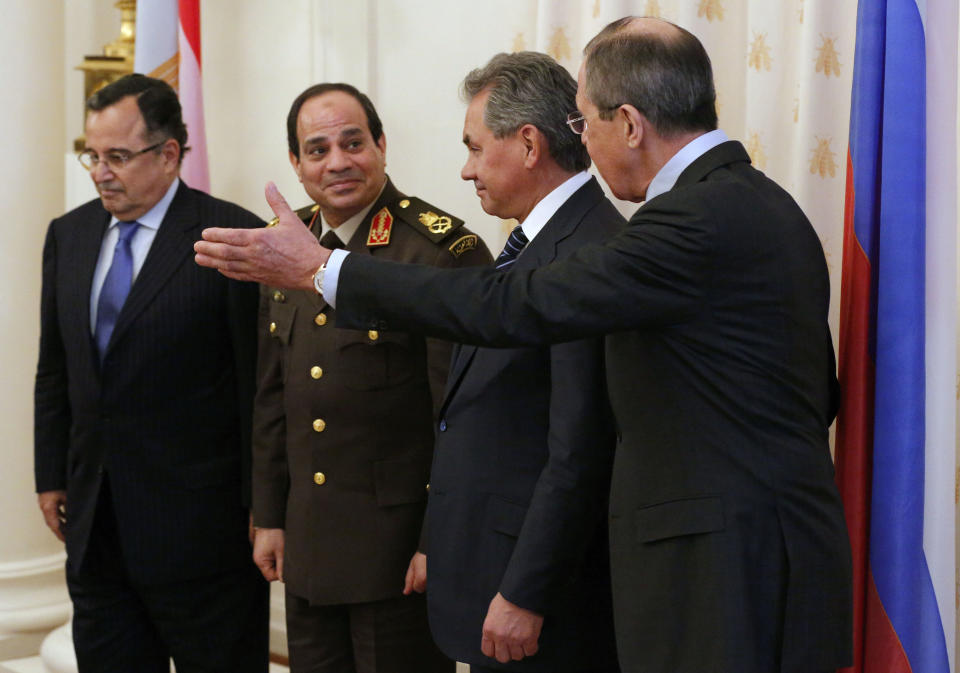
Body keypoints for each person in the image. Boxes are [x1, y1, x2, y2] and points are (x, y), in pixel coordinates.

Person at [194, 16, 854, 673]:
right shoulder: (762, 205)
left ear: (628, 123)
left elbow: (514, 307)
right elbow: (809, 391)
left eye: (586, 124)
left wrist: (322, 269)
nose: (585, 144)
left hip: (726, 567)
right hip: (761, 551)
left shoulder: (687, 223)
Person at [249, 82, 491, 673]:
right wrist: (270, 516)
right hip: (309, 546)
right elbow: (273, 397)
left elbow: (463, 421)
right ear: (296, 164)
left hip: (397, 557)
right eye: (317, 149)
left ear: (381, 145)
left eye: (353, 142)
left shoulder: (437, 253)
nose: (337, 162)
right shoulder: (286, 244)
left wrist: (440, 543)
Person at [35, 74, 268, 672]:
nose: (99, 171)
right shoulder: (71, 234)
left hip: (203, 537)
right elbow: (57, 367)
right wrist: (51, 473)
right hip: (95, 526)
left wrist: (263, 506)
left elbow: (257, 389)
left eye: (117, 156)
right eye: (92, 154)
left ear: (168, 154)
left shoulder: (231, 236)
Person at [400, 52, 622, 672]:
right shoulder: (532, 245)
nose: (465, 170)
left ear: (528, 144)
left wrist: (527, 590)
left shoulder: (585, 255)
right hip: (480, 568)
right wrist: (435, 544)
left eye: (474, 148)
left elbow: (579, 450)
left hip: (538, 601)